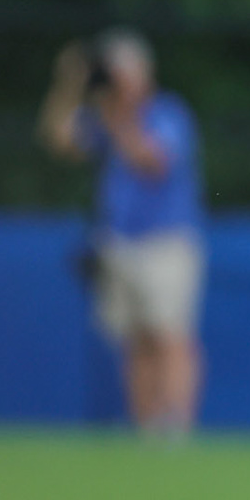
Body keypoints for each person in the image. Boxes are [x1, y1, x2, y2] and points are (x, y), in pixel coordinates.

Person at [38, 28, 207, 437]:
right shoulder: (105, 117)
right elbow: (57, 140)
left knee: (171, 335)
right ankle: (146, 429)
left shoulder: (167, 112)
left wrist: (117, 117)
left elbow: (151, 161)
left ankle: (177, 426)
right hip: (119, 241)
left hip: (166, 240)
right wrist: (69, 84)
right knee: (136, 340)